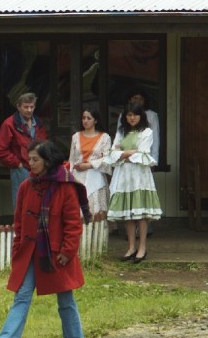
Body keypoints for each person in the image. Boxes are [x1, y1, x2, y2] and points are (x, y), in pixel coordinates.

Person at [0, 140, 86, 338]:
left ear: (48, 162)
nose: (30, 163)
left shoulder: (65, 186)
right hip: (30, 252)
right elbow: (19, 224)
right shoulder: (25, 186)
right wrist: (17, 250)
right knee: (22, 295)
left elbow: (73, 225)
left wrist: (67, 252)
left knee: (65, 299)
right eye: (29, 159)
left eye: (35, 159)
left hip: (57, 254)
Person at [108, 100, 161, 261]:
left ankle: (142, 247)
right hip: (124, 175)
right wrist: (128, 153)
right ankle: (131, 247)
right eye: (129, 115)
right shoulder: (121, 131)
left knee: (140, 212)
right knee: (128, 213)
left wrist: (123, 153)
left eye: (135, 115)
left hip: (139, 175)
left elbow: (143, 154)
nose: (132, 118)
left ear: (141, 116)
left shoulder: (147, 132)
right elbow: (112, 154)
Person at [0, 93, 47, 209]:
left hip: (39, 168)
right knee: (22, 203)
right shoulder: (9, 124)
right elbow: (0, 150)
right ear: (18, 107)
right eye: (25, 107)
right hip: (21, 168)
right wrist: (17, 163)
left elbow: (44, 146)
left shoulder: (39, 123)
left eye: (31, 107)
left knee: (39, 202)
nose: (29, 110)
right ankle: (21, 227)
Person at [67, 106, 112, 223]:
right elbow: (71, 159)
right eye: (83, 118)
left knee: (96, 211)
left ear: (96, 120)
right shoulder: (76, 136)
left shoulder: (104, 137)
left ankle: (96, 237)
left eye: (89, 118)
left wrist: (89, 165)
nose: (85, 121)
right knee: (78, 210)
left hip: (96, 177)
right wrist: (70, 176)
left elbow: (107, 158)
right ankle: (80, 237)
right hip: (78, 178)